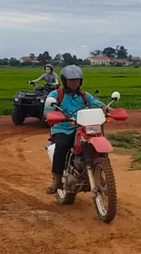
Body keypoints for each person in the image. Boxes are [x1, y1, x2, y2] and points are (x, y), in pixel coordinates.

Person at [44, 65, 110, 193]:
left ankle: (102, 171)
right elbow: (47, 111)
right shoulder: (56, 94)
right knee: (62, 145)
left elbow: (99, 105)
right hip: (63, 128)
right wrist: (55, 115)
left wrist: (110, 110)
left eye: (77, 80)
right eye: (71, 80)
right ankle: (57, 180)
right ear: (64, 81)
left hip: (83, 127)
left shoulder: (85, 96)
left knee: (97, 142)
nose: (74, 83)